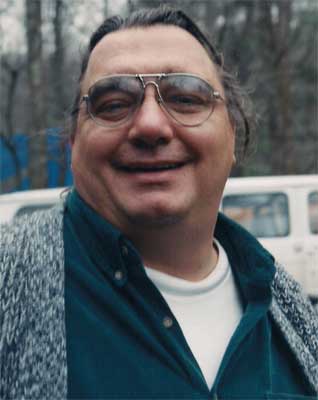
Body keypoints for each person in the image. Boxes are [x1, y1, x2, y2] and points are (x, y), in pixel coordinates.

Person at [1, 6, 317, 399]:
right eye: (113, 104)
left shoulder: (296, 320)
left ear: (232, 134)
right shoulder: (7, 284)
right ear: (73, 144)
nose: (150, 125)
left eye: (185, 97)